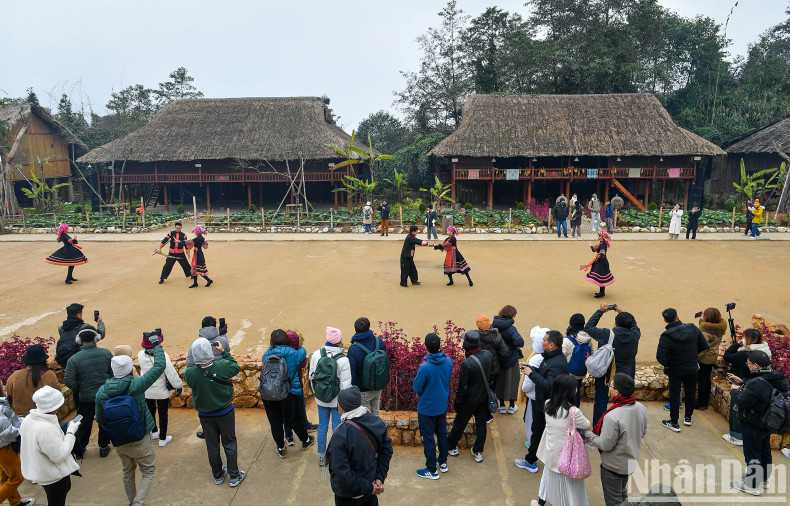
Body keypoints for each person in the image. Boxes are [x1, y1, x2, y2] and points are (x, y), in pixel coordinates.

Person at [94, 333, 166, 505]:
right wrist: (157, 347)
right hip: (139, 437)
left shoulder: (102, 392)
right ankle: (138, 503)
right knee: (148, 471)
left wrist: (114, 431)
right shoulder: (136, 385)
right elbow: (159, 366)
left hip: (119, 440)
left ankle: (132, 501)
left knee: (127, 472)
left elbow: (100, 419)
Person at [184, 338, 246, 487]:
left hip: (205, 415)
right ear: (210, 350)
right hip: (225, 412)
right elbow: (235, 367)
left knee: (212, 445)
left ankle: (218, 475)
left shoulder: (190, 373)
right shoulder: (222, 366)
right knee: (229, 443)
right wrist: (223, 352)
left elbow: (191, 381)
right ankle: (234, 476)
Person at [729, 350, 790, 495]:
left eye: (749, 363)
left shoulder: (757, 383)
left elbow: (742, 401)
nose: (747, 365)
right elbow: (764, 393)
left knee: (753, 454)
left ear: (756, 365)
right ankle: (762, 480)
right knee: (764, 451)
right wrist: (743, 383)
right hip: (768, 422)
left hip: (754, 422)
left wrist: (735, 391)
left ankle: (752, 485)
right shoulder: (776, 377)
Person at [584, 373, 648, 506]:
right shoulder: (641, 408)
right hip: (630, 463)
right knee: (622, 493)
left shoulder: (613, 416)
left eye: (610, 385)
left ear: (616, 392)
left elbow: (605, 445)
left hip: (614, 467)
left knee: (614, 501)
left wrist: (588, 434)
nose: (609, 388)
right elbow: (643, 432)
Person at [529, 375, 591, 506]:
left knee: (547, 480)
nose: (576, 389)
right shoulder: (574, 412)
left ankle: (541, 503)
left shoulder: (547, 405)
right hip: (568, 456)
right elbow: (586, 425)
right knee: (570, 487)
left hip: (551, 453)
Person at [327, 386, 393, 505]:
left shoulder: (341, 434)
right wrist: (379, 477)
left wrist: (369, 487)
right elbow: (386, 452)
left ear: (343, 406)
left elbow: (341, 470)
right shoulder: (377, 423)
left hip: (348, 497)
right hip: (370, 494)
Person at [515, 330, 569, 473]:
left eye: (544, 340)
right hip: (544, 404)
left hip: (547, 406)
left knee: (539, 433)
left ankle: (532, 461)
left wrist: (532, 374)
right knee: (538, 432)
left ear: (551, 345)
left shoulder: (555, 363)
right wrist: (533, 369)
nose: (541, 342)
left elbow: (549, 387)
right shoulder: (552, 357)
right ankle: (532, 459)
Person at [20, 386, 80, 506]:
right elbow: (59, 456)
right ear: (56, 406)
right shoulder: (46, 429)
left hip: (41, 470)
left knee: (59, 494)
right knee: (57, 500)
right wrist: (70, 432)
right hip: (52, 476)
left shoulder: (29, 419)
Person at [260, 329, 314, 458]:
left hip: (269, 393)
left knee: (275, 423)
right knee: (295, 420)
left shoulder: (267, 354)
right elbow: (303, 351)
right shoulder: (293, 354)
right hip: (288, 393)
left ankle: (281, 448)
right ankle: (305, 441)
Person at [585, 304, 641, 426]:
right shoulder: (635, 334)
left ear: (616, 323)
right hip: (626, 374)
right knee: (624, 402)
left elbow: (588, 327)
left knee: (601, 400)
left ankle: (599, 428)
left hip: (607, 373)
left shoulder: (608, 334)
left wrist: (600, 311)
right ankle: (622, 427)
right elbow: (634, 324)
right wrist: (622, 313)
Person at [63, 325, 113, 459]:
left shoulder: (73, 360)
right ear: (96, 338)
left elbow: (69, 381)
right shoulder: (107, 353)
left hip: (85, 397)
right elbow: (112, 374)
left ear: (79, 339)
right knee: (104, 421)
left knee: (83, 423)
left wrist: (80, 387)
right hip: (104, 395)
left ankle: (81, 447)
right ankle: (103, 447)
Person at [656, 308, 708, 432]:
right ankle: (688, 417)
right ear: (677, 317)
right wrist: (692, 356)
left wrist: (671, 363)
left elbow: (660, 357)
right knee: (690, 392)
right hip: (692, 367)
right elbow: (704, 346)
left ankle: (674, 422)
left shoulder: (666, 336)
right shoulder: (693, 328)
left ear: (665, 320)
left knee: (674, 393)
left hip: (675, 369)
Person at [447, 331, 493, 463]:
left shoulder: (467, 364)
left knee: (459, 424)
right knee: (481, 425)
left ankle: (451, 447)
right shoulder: (488, 355)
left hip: (469, 401)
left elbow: (462, 388)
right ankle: (478, 451)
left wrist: (457, 402)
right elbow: (493, 373)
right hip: (484, 398)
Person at [309, 326, 351, 467]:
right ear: (339, 340)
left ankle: (322, 456)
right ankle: (336, 456)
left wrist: (318, 394)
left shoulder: (316, 355)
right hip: (337, 400)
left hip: (321, 398)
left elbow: (312, 377)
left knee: (322, 427)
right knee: (337, 428)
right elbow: (346, 385)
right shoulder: (343, 360)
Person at [721, 328, 771, 446]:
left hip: (743, 386)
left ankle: (736, 436)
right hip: (750, 383)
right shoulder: (764, 353)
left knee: (737, 408)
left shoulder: (745, 355)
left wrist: (737, 344)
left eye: (744, 337)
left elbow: (727, 355)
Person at [413, 333, 453, 479]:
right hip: (441, 405)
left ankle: (432, 470)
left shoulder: (425, 367)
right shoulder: (448, 361)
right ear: (439, 346)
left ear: (426, 347)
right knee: (442, 434)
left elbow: (417, 388)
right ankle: (442, 463)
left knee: (428, 438)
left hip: (427, 409)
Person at [138, 333, 183, 448]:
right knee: (163, 414)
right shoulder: (162, 356)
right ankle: (162, 438)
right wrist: (178, 385)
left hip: (147, 389)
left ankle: (154, 432)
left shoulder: (140, 355)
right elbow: (170, 373)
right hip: (161, 390)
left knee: (151, 411)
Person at [0, 384, 34, 506]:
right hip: (4, 447)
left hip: (3, 445)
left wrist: (25, 421)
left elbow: (12, 420)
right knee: (17, 477)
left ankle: (15, 502)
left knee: (5, 476)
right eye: (1, 386)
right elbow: (6, 432)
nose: (4, 387)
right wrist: (22, 431)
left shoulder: (2, 402)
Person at [283, 329, 317, 446]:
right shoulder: (297, 355)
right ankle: (305, 429)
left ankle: (289, 436)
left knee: (286, 415)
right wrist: (299, 346)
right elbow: (303, 363)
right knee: (299, 410)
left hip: (283, 389)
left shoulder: (281, 354)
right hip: (296, 387)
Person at [6, 343, 61, 416]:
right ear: (44, 360)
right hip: (44, 416)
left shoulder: (15, 375)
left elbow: (8, 394)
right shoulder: (49, 375)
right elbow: (58, 392)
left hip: (21, 419)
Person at [348, 317, 388, 416]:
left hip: (363, 390)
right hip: (378, 386)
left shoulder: (354, 349)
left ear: (355, 329)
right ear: (369, 328)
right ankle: (380, 431)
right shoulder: (380, 342)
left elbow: (352, 374)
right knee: (376, 413)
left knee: (367, 419)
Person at [492, 305, 524, 414]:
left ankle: (501, 405)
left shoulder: (493, 325)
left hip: (497, 359)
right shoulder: (511, 329)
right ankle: (511, 406)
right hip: (511, 359)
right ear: (511, 316)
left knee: (499, 382)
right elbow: (520, 342)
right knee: (512, 382)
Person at [54, 303, 105, 369]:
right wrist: (100, 322)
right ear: (78, 315)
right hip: (82, 360)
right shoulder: (85, 327)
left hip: (65, 362)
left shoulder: (61, 328)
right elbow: (101, 334)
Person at [521, 326, 549, 449]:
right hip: (547, 396)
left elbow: (528, 384)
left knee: (532, 422)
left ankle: (533, 443)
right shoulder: (552, 357)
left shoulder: (535, 359)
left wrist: (523, 390)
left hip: (534, 396)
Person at [696, 308, 727, 410]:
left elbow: (702, 347)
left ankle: (701, 403)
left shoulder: (706, 333)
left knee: (702, 381)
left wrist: (695, 358)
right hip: (712, 356)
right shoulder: (719, 328)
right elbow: (705, 328)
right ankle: (705, 401)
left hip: (705, 358)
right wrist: (701, 320)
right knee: (706, 379)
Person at [562, 313, 593, 406]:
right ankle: (576, 413)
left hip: (569, 373)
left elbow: (562, 358)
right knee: (576, 392)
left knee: (566, 395)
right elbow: (591, 355)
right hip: (581, 373)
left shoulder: (566, 340)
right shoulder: (589, 340)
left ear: (570, 325)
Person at [475, 315, 510, 390]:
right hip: (494, 368)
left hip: (479, 368)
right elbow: (505, 352)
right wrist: (496, 358)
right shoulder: (497, 335)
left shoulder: (475, 337)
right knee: (492, 391)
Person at [584, 230, 614, 298]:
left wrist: (599, 255)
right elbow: (596, 248)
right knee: (600, 277)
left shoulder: (603, 244)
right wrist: (591, 246)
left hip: (602, 263)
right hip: (600, 262)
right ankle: (601, 292)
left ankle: (602, 293)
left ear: (602, 237)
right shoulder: (601, 243)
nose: (598, 236)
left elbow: (603, 252)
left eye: (599, 235)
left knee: (601, 277)